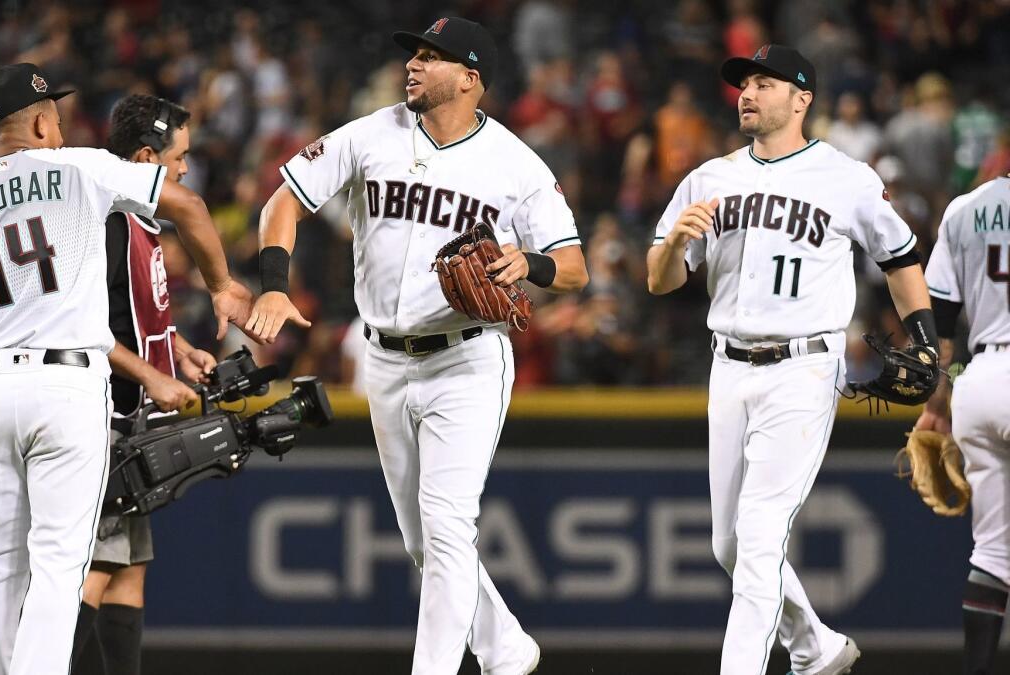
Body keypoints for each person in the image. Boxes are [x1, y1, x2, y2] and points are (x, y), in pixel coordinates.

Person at [246, 17, 588, 674]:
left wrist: (530, 265)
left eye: (432, 57)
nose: (413, 65)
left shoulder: (514, 162)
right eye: (415, 55)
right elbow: (282, 202)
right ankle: (505, 646)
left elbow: (575, 266)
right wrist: (271, 284)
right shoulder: (371, 134)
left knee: (446, 524)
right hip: (382, 360)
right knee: (422, 541)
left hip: (466, 358)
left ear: (471, 78)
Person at [0, 63, 251, 675]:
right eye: (56, 119)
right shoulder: (82, 167)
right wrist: (222, 285)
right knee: (61, 564)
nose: (61, 129)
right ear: (39, 122)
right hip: (67, 387)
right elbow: (189, 204)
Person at [647, 45, 938, 675]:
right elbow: (660, 281)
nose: (747, 93)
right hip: (727, 367)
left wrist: (925, 337)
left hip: (805, 366)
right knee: (730, 545)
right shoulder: (710, 177)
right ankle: (817, 648)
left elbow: (900, 258)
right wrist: (673, 243)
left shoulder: (845, 176)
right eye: (743, 84)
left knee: (757, 538)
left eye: (763, 83)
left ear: (801, 98)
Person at [70, 94, 216, 675]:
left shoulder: (137, 222)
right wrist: (155, 375)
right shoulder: (107, 221)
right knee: (96, 570)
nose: (184, 169)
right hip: (103, 419)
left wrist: (177, 347)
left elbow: (134, 313)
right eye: (178, 158)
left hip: (132, 423)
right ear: (145, 156)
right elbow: (86, 327)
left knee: (129, 569)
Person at [917, 173, 1010, 675]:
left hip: (980, 380)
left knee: (994, 552)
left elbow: (942, 324)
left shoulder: (965, 208)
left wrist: (941, 398)